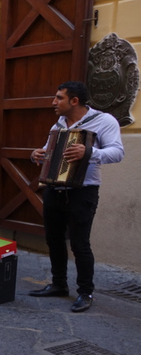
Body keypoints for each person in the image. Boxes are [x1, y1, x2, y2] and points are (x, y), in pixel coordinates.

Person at [29, 81, 124, 312]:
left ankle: (85, 292)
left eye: (59, 98)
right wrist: (37, 155)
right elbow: (49, 149)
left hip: (83, 191)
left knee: (80, 244)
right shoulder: (59, 123)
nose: (54, 102)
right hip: (55, 189)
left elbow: (117, 152)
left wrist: (89, 152)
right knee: (53, 239)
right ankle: (59, 284)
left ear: (74, 101)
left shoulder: (104, 121)